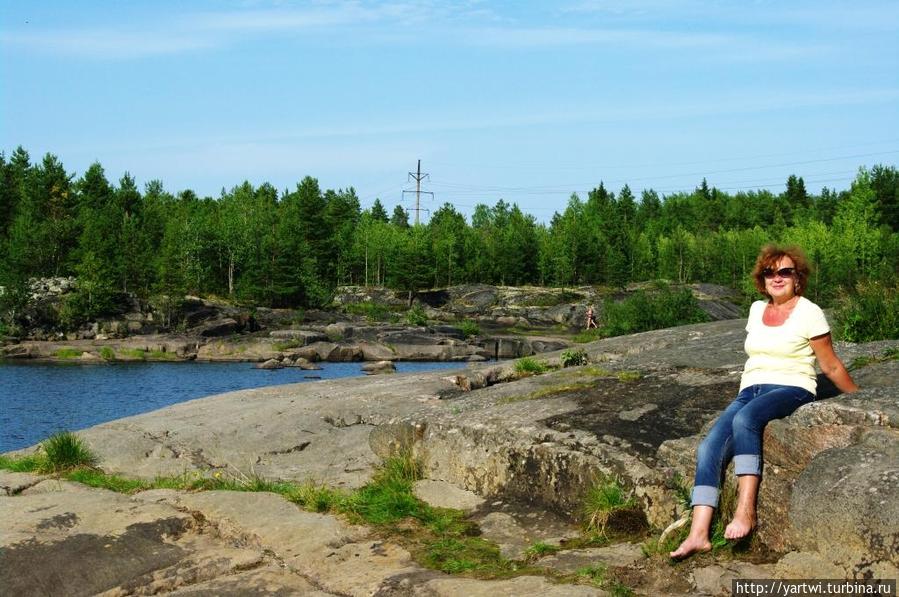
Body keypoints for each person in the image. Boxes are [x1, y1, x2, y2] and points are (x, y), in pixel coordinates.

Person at [670, 244, 858, 559]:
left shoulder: (809, 312)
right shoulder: (757, 309)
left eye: (785, 271)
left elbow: (831, 366)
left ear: (798, 278)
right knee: (708, 448)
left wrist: (858, 399)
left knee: (746, 420)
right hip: (750, 389)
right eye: (770, 272)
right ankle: (698, 534)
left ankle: (746, 511)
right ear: (762, 280)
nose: (777, 277)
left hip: (792, 386)